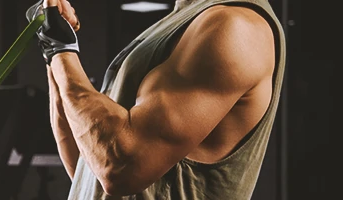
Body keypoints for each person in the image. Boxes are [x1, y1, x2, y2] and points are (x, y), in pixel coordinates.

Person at [26, 0, 286, 199]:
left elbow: (120, 167)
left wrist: (60, 50)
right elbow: (90, 166)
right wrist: (55, 53)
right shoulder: (184, 20)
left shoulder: (234, 28)